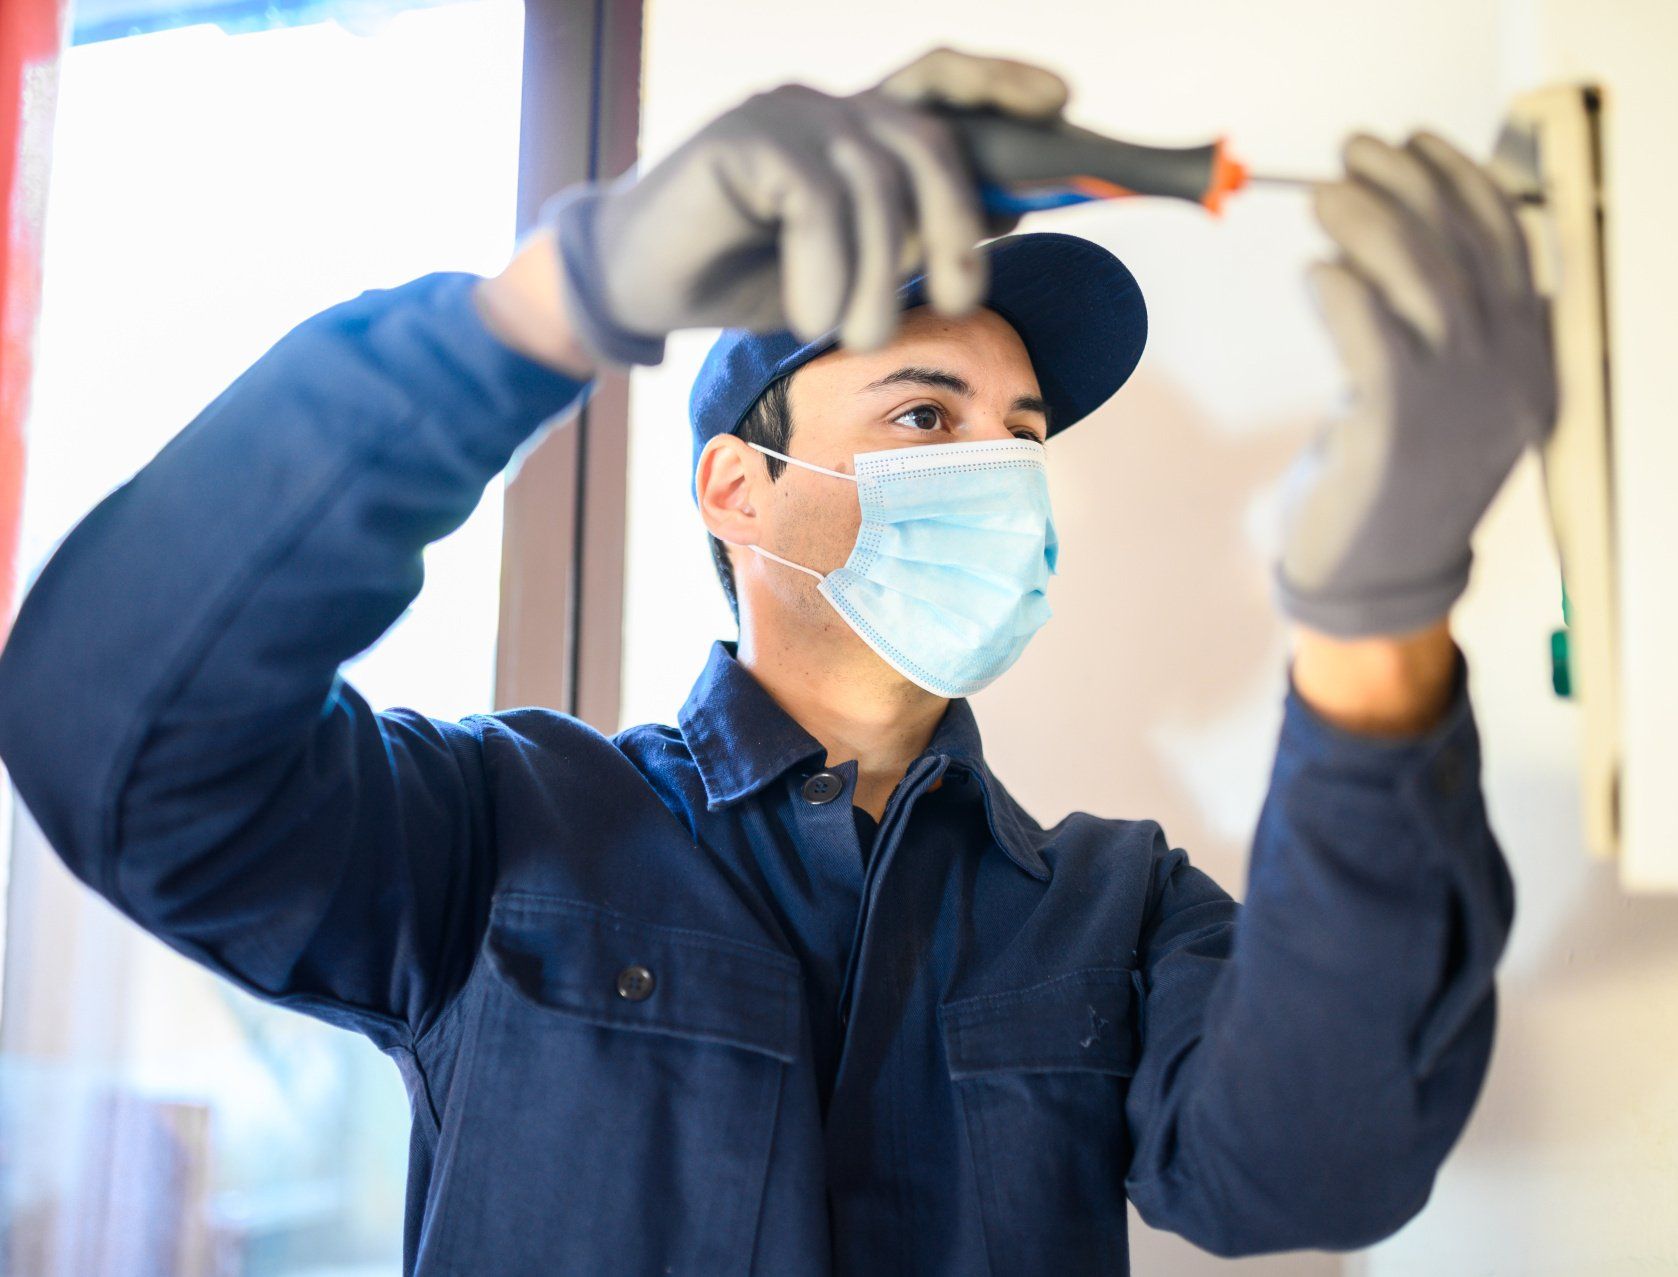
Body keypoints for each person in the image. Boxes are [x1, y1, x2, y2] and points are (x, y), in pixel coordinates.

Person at [0, 44, 1551, 1277]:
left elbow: (1322, 1160)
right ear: (742, 491)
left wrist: (1376, 625)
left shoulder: (1120, 907)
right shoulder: (508, 833)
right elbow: (119, 741)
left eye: (1021, 436)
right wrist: (553, 301)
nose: (1000, 476)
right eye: (926, 417)